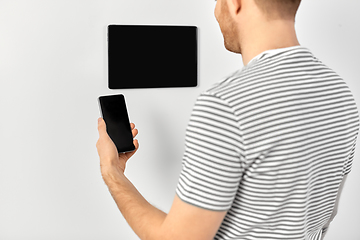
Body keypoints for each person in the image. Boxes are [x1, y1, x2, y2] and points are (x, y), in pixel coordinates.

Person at [96, 0, 360, 239]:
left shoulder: (226, 104)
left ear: (235, 3)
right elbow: (324, 214)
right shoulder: (340, 93)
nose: (215, 11)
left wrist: (112, 172)